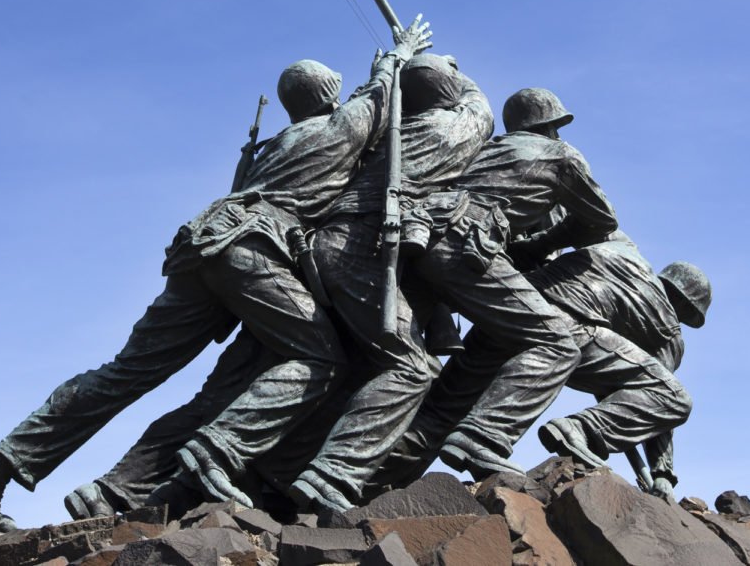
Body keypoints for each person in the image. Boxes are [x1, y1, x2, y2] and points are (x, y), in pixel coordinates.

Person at [0, 17, 432, 534]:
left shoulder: (271, 148)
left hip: (199, 245)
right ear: (328, 97)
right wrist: (399, 53)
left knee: (126, 373)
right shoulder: (339, 128)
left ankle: (5, 458)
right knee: (318, 356)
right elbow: (381, 95)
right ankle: (216, 453)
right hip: (250, 251)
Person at [374, 87, 618, 487]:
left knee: (423, 378)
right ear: (550, 127)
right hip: (466, 247)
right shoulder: (561, 155)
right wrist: (542, 244)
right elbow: (601, 221)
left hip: (418, 241)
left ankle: (363, 476)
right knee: (558, 343)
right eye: (557, 127)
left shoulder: (486, 150)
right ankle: (482, 438)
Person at [286, 53, 494, 511]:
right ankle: (333, 473)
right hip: (360, 251)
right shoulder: (449, 130)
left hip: (323, 247)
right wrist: (453, 68)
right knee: (411, 368)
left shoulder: (382, 138)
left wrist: (398, 74)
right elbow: (479, 106)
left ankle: (283, 469)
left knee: (359, 364)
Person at [530, 247, 711, 502]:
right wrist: (663, 473)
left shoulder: (629, 279)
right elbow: (661, 401)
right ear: (685, 304)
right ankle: (579, 430)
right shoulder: (670, 331)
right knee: (676, 399)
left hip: (544, 321)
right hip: (581, 343)